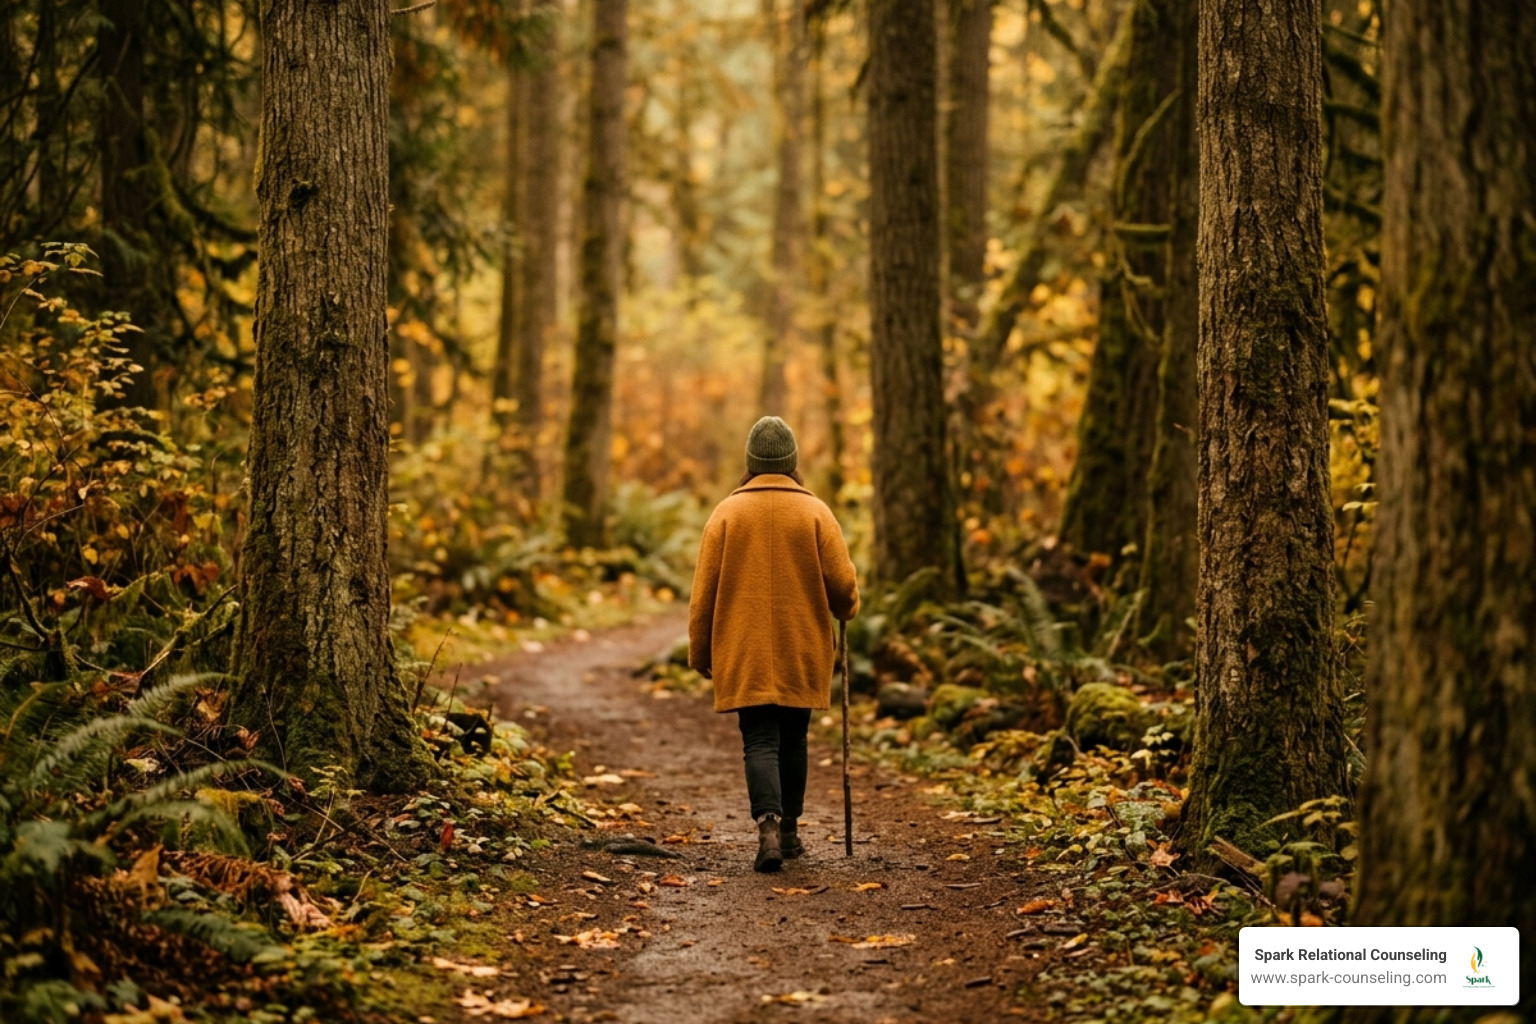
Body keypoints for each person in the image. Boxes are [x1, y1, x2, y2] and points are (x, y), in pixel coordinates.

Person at [688, 416, 860, 873]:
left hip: (743, 649)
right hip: (801, 646)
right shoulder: (816, 512)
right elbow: (843, 588)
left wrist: (700, 651)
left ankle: (767, 825)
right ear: (791, 462)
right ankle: (790, 832)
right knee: (794, 738)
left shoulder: (726, 514)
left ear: (750, 462)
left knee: (759, 739)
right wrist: (848, 607)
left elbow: (703, 593)